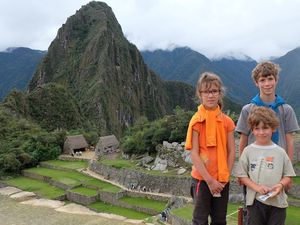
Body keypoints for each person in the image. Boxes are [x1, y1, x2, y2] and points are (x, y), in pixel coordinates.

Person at [185, 72, 236, 225]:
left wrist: (224, 177)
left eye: (214, 91)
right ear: (200, 94)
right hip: (202, 179)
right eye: (206, 91)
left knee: (220, 220)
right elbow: (193, 153)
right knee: (200, 220)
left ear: (220, 93)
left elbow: (232, 151)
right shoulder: (196, 121)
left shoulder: (227, 122)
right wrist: (209, 180)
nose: (210, 95)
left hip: (222, 180)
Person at [236, 106, 296, 225]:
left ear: (273, 128)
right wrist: (257, 187)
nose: (261, 132)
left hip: (277, 203)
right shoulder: (248, 151)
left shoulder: (280, 152)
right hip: (255, 202)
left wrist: (280, 185)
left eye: (265, 128)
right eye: (257, 128)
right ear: (252, 130)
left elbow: (288, 175)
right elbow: (242, 176)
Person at [236, 61, 299, 161]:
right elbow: (243, 140)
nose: (267, 84)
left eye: (270, 79)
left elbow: (289, 141)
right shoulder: (247, 110)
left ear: (276, 80)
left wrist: (288, 170)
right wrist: (242, 169)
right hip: (254, 163)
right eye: (262, 80)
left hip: (279, 163)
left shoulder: (286, 110)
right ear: (256, 83)